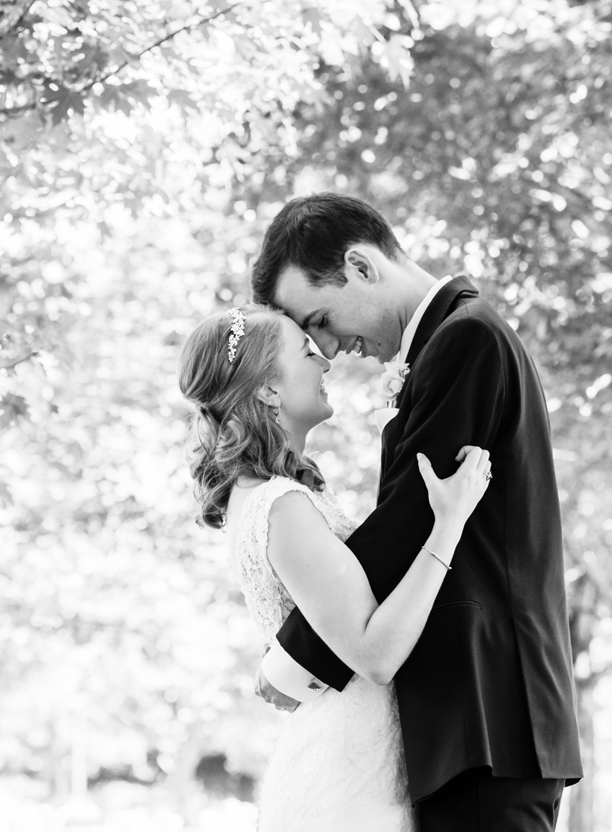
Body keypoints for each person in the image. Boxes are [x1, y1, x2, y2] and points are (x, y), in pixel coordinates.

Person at [251, 193, 581, 832]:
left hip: (489, 715)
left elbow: (408, 522)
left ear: (361, 266)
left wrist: (294, 657)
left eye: (320, 318)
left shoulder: (467, 340)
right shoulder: (454, 339)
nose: (329, 347)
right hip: (474, 724)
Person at [180, 302, 495, 830]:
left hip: (358, 753)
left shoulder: (273, 495)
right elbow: (375, 653)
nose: (325, 363)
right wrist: (450, 522)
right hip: (349, 775)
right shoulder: (281, 505)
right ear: (267, 389)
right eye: (307, 352)